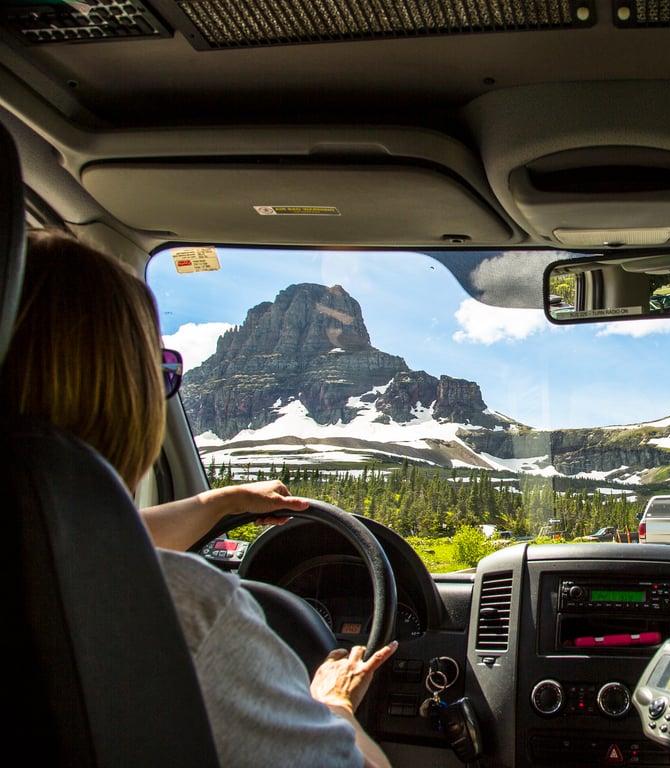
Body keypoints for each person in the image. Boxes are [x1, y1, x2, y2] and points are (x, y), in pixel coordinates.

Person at [0, 228, 395, 768]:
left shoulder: (43, 563)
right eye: (160, 373)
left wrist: (220, 503)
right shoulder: (183, 610)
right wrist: (334, 706)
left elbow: (71, 538)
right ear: (124, 394)